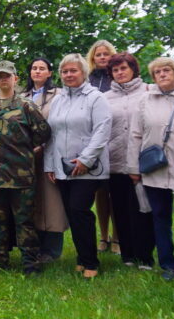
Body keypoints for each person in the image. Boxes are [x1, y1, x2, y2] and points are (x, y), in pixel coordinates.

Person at [129, 56, 174, 283]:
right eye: (157, 72)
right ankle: (168, 264)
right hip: (154, 168)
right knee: (160, 218)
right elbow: (135, 134)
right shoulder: (145, 100)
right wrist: (133, 167)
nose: (162, 74)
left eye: (166, 70)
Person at [44, 53, 111, 278]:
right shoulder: (59, 100)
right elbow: (51, 134)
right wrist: (49, 165)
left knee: (79, 210)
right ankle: (82, 258)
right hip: (62, 167)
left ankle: (91, 262)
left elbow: (102, 131)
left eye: (73, 70)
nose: (69, 75)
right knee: (72, 214)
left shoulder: (96, 98)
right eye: (65, 71)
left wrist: (85, 159)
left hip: (87, 168)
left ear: (83, 72)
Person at [0, 61, 50, 274]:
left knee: (25, 222)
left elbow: (43, 132)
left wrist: (30, 149)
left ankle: (30, 262)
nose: (3, 79)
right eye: (0, 76)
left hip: (20, 175)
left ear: (15, 79)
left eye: (7, 76)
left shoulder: (26, 105)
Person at [103, 52, 155, 269]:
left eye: (123, 68)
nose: (120, 73)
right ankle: (127, 254)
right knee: (121, 209)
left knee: (142, 209)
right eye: (115, 70)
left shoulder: (148, 92)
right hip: (115, 161)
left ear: (133, 69)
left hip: (141, 161)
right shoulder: (106, 97)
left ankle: (145, 255)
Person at [22, 56, 67, 262]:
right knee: (31, 201)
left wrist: (42, 146)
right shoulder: (21, 95)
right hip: (25, 156)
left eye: (42, 68)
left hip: (49, 153)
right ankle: (34, 246)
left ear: (50, 73)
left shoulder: (59, 95)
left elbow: (59, 125)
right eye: (34, 68)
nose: (37, 71)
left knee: (52, 201)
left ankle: (52, 249)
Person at [85, 39, 118, 254]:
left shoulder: (117, 77)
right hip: (92, 140)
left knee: (114, 192)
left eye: (106, 54)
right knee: (100, 192)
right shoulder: (88, 79)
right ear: (93, 58)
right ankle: (103, 236)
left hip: (115, 139)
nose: (103, 57)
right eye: (99, 54)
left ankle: (117, 237)